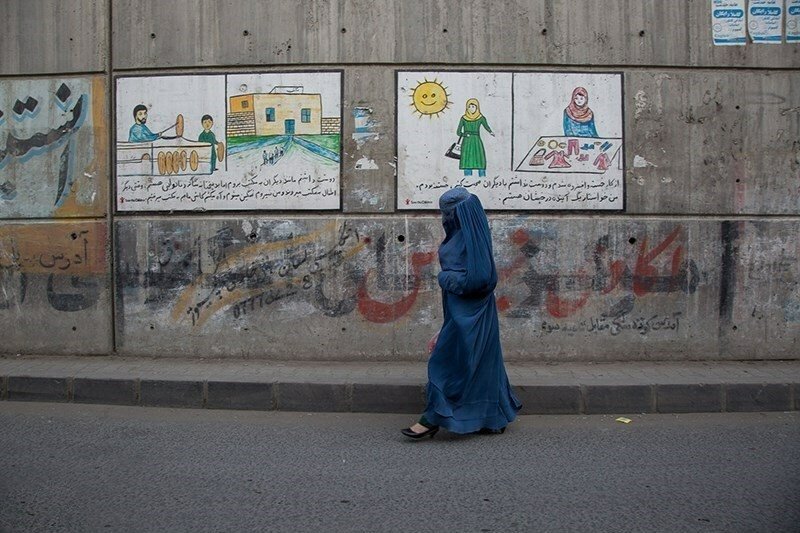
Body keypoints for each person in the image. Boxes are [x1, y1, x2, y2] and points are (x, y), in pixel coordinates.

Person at [402, 187, 521, 439]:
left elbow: (480, 280)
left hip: (471, 313)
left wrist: (444, 277)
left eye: (447, 212)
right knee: (481, 363)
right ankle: (492, 418)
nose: (444, 217)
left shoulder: (470, 238)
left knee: (448, 362)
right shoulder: (463, 234)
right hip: (460, 311)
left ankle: (432, 417)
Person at [456, 98, 494, 178]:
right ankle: (467, 179)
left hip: (476, 142)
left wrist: (490, 131)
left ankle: (483, 179)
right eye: (469, 107)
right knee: (467, 163)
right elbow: (458, 132)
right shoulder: (463, 118)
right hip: (466, 143)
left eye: (473, 107)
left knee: (480, 162)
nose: (471, 109)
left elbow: (486, 126)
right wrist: (465, 135)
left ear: (477, 108)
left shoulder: (480, 118)